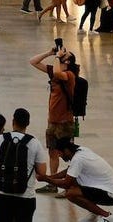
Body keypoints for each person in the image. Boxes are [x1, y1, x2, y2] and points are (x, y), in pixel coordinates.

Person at [28, 44, 78, 189]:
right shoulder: (55, 71)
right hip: (53, 121)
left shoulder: (69, 75)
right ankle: (52, 185)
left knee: (69, 154)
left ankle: (72, 183)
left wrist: (57, 57)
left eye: (64, 57)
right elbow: (33, 61)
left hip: (65, 122)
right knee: (52, 152)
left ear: (68, 63)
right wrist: (50, 52)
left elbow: (57, 72)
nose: (61, 57)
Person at [0, 107, 47, 222]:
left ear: (13, 121)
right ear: (27, 124)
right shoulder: (35, 143)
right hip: (26, 196)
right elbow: (42, 172)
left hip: (2, 194)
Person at [40, 138, 113, 221]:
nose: (59, 156)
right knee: (74, 183)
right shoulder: (82, 150)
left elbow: (66, 184)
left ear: (66, 150)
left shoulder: (78, 159)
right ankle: (94, 215)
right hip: (106, 189)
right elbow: (69, 171)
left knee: (70, 193)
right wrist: (49, 177)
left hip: (110, 195)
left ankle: (107, 216)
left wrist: (46, 179)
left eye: (60, 153)